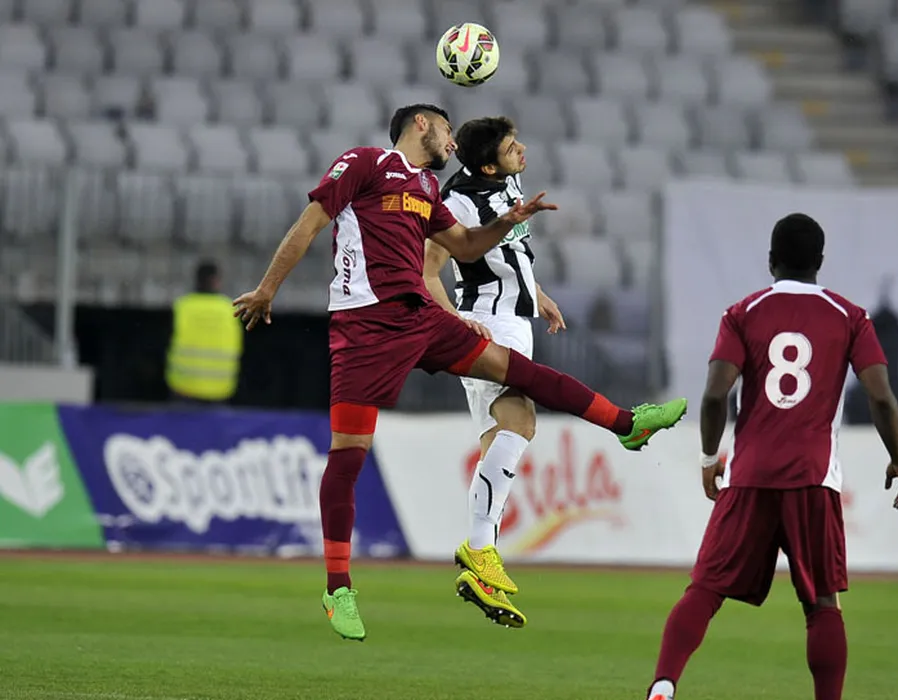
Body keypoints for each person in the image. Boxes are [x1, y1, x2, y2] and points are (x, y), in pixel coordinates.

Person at [231, 104, 688, 642]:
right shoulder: (365, 163)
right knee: (348, 457)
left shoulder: (427, 187)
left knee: (522, 373)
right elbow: (309, 224)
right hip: (365, 327)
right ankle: (338, 589)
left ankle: (627, 424)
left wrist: (506, 223)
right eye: (447, 129)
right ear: (421, 124)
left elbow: (466, 246)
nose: (453, 140)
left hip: (421, 318)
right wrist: (267, 289)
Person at [644, 213, 898, 700]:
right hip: (813, 477)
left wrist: (708, 459)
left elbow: (714, 395)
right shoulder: (849, 316)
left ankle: (663, 685)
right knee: (822, 604)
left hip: (750, 474)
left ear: (771, 261)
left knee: (705, 588)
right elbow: (881, 396)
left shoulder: (742, 313)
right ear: (820, 261)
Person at [422, 116, 564, 629]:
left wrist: (537, 294)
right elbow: (427, 269)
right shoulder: (458, 203)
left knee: (497, 441)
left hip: (514, 317)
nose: (521, 150)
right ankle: (480, 548)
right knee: (520, 421)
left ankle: (481, 562)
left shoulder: (509, 180)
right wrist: (455, 321)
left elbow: (511, 247)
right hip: (488, 320)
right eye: (510, 147)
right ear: (487, 166)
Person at [166, 261, 243, 404]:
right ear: (217, 281)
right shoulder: (229, 308)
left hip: (183, 388)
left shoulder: (182, 306)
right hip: (220, 391)